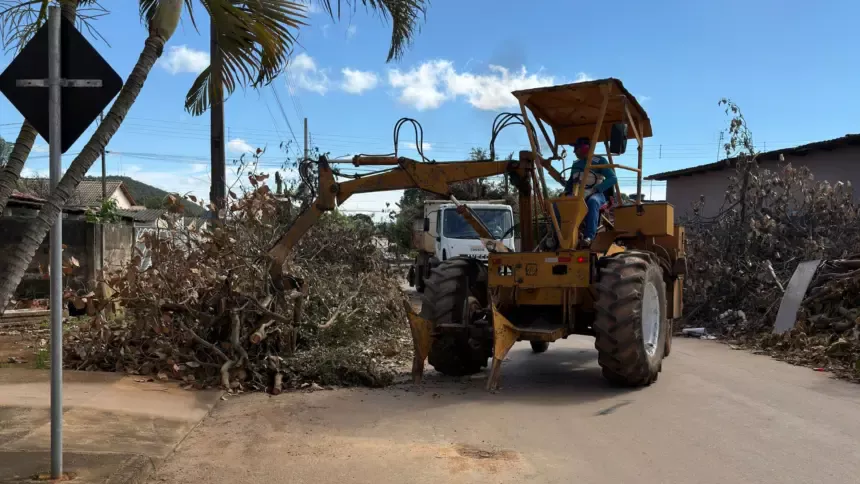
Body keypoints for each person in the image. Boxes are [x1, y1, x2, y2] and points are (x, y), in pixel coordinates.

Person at [563, 137, 617, 246]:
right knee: (558, 204)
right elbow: (570, 182)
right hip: (577, 193)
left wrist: (597, 189)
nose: (574, 151)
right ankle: (559, 236)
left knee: (592, 202)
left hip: (596, 194)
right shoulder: (576, 164)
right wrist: (565, 192)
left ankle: (589, 237)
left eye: (576, 148)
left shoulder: (600, 161)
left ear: (585, 148)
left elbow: (613, 178)